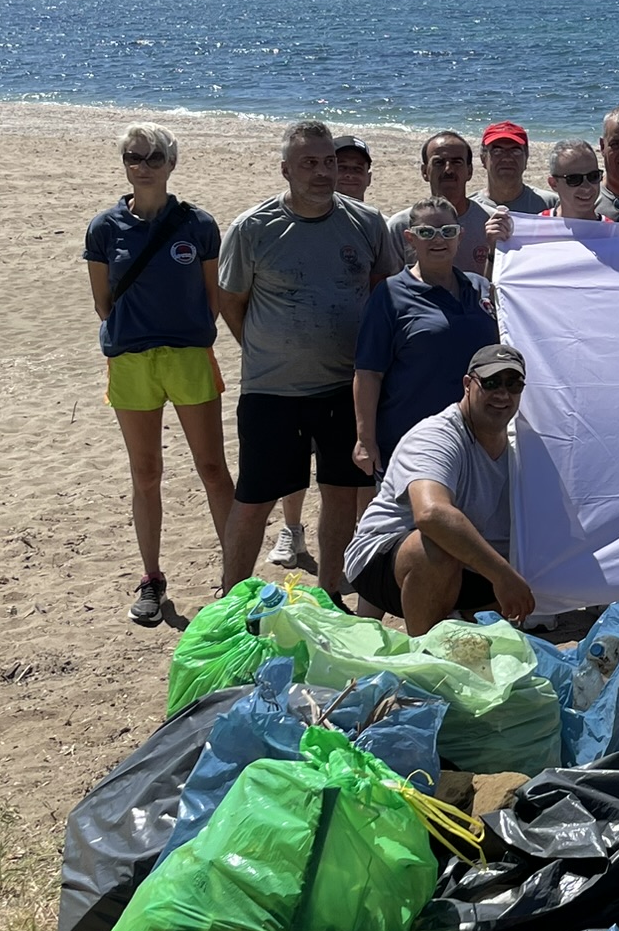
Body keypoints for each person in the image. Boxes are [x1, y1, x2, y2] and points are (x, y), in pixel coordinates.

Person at [218, 120, 399, 600]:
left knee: (340, 495)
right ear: (285, 170)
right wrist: (267, 348)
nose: (323, 173)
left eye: (329, 162)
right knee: (255, 498)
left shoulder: (366, 222)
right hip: (271, 391)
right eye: (309, 164)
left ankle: (329, 594)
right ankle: (231, 598)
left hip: (344, 389)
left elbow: (383, 292)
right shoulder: (253, 228)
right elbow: (231, 302)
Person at [84, 123, 235, 624]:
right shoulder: (105, 229)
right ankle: (151, 577)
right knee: (145, 473)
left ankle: (235, 579)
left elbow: (211, 297)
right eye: (133, 157)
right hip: (131, 359)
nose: (143, 166)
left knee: (212, 469)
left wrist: (184, 332)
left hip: (188, 356)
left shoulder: (198, 224)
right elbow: (103, 304)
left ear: (172, 163)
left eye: (153, 157)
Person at [344, 344, 536, 634]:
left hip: (468, 568)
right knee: (437, 544)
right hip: (381, 560)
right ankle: (426, 660)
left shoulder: (520, 446)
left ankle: (455, 630)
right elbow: (431, 514)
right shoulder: (436, 436)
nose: (502, 394)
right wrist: (502, 575)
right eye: (492, 382)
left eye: (513, 384)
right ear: (468, 385)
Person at [354, 196, 500, 478]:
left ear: (460, 236)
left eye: (447, 232)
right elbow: (369, 373)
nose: (438, 240)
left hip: (479, 440)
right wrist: (365, 440)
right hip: (411, 442)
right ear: (410, 238)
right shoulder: (389, 295)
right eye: (426, 233)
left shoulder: (480, 289)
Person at [388, 131, 494, 276]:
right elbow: (390, 286)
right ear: (425, 171)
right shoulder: (400, 226)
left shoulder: (491, 222)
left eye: (457, 162)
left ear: (469, 171)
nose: (448, 169)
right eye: (439, 162)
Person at [473, 121, 552, 217]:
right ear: (483, 158)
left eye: (515, 151)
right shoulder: (470, 210)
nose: (507, 158)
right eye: (497, 151)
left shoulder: (550, 206)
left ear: (526, 157)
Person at [543, 139, 605, 219]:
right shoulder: (536, 227)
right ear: (554, 184)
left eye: (593, 176)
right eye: (574, 179)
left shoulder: (612, 229)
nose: (586, 188)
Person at [333, 134, 374, 201]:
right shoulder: (311, 211)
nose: (350, 174)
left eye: (358, 169)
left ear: (369, 178)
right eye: (342, 167)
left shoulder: (373, 212)